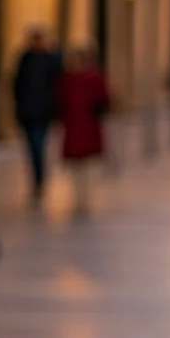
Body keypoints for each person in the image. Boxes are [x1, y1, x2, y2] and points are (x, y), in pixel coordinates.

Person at [56, 45, 111, 215]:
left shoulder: (91, 78)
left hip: (85, 126)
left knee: (85, 166)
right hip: (76, 126)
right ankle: (80, 198)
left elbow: (104, 99)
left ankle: (84, 198)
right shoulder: (68, 80)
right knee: (78, 166)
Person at [12, 28, 62, 207]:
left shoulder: (51, 60)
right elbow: (16, 85)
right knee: (32, 147)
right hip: (28, 112)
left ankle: (39, 179)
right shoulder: (25, 60)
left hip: (43, 113)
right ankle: (37, 178)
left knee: (38, 145)